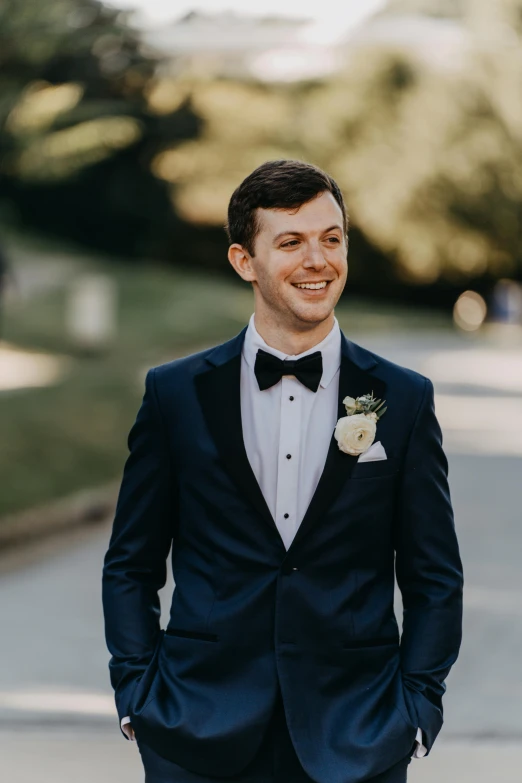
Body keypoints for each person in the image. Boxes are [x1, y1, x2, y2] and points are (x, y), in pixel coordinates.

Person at [102, 159, 463, 783]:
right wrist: (139, 697)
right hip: (195, 732)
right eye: (291, 242)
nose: (317, 260)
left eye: (331, 238)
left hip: (357, 735)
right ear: (245, 261)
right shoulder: (175, 395)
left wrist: (416, 707)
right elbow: (131, 564)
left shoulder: (404, 399)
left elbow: (435, 576)